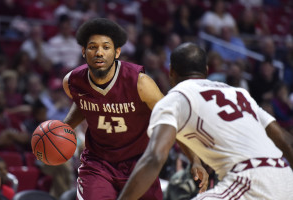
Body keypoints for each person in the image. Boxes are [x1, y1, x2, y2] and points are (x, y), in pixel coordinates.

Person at [117, 42, 293, 200]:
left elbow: (154, 157)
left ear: (171, 71)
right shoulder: (240, 94)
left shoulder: (175, 98)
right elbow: (286, 141)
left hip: (249, 179)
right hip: (286, 178)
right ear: (206, 71)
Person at [62, 18, 208, 200]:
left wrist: (194, 159)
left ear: (117, 52)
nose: (99, 52)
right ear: (84, 52)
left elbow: (173, 120)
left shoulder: (140, 83)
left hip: (139, 164)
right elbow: (84, 103)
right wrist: (64, 127)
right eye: (92, 47)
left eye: (106, 47)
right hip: (97, 163)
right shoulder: (72, 82)